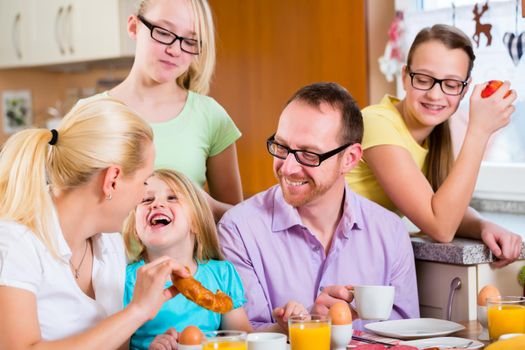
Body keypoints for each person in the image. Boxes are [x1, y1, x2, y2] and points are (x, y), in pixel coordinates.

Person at [218, 82, 419, 332]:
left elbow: (409, 336)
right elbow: (241, 338)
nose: (288, 167)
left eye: (309, 154)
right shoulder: (239, 229)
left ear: (350, 159)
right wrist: (306, 324)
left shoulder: (389, 232)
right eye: (281, 147)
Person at [0, 98, 191, 350]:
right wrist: (137, 311)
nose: (140, 198)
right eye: (144, 182)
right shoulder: (15, 241)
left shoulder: (110, 244)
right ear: (112, 180)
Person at [345, 24, 522, 268]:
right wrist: (479, 131)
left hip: (361, 257)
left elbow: (444, 206)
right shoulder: (377, 124)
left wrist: (484, 226)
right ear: (406, 77)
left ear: (464, 89)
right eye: (424, 79)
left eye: (450, 84)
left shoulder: (433, 137)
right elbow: (441, 226)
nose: (435, 95)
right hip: (328, 257)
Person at [83, 0, 242, 221]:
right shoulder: (89, 115)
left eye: (190, 41)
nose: (174, 49)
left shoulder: (211, 117)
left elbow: (238, 223)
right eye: (164, 33)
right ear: (134, 27)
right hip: (107, 257)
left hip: (186, 257)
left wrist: (203, 204)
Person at [122, 169, 251, 350]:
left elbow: (243, 340)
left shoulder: (222, 274)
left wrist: (282, 327)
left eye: (172, 198)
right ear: (135, 229)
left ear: (196, 222)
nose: (156, 204)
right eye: (146, 200)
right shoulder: (125, 281)